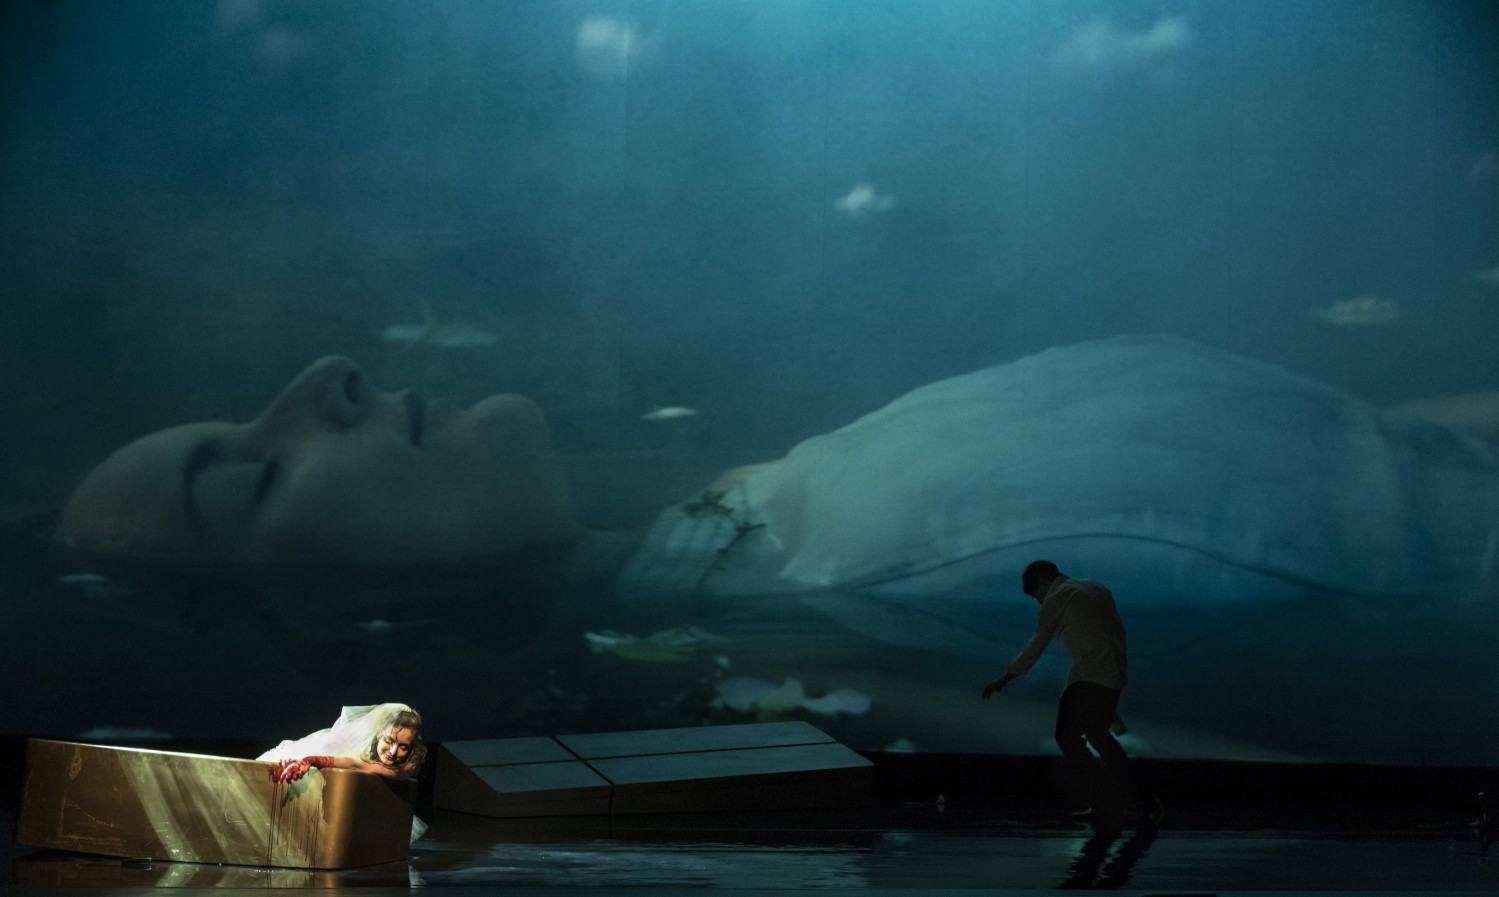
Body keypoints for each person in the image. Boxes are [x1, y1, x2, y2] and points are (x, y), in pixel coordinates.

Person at [48, 334, 1499, 761]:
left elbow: (1378, 453)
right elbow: (1211, 799)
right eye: (250, 477)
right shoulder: (829, 613)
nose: (321, 377)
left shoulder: (777, 507)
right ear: (322, 627)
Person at [982, 561, 1156, 832]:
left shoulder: (1057, 597)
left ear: (1043, 582)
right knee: (1100, 737)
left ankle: (1108, 799)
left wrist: (1006, 677)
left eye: (1036, 596)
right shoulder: (1097, 588)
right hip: (1113, 674)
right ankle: (1139, 801)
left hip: (1088, 676)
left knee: (1067, 737)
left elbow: (1037, 644)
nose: (1039, 603)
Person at [261, 702, 428, 783]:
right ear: (379, 735)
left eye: (403, 747)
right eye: (389, 741)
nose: (393, 751)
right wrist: (306, 760)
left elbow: (357, 765)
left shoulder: (409, 764)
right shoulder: (352, 741)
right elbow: (351, 761)